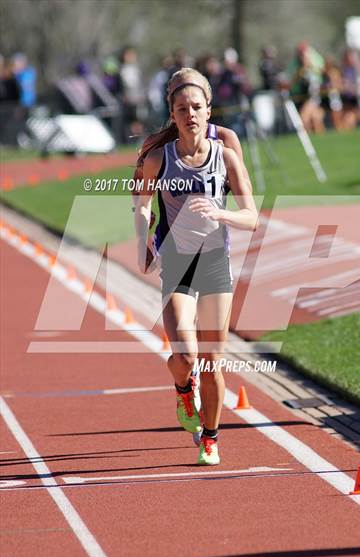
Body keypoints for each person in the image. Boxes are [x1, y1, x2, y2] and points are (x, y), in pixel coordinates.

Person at [134, 68, 258, 466]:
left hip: (214, 261)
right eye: (181, 107)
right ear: (172, 111)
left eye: (197, 106)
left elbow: (251, 215)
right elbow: (140, 201)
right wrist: (143, 242)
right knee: (185, 357)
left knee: (211, 361)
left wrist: (220, 214)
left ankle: (210, 436)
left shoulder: (227, 148)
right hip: (176, 259)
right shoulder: (158, 156)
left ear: (208, 107)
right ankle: (182, 387)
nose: (190, 113)